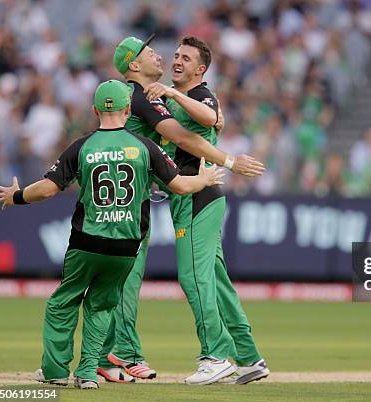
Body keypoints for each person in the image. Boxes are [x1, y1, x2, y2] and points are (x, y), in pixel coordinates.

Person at [0, 80, 224, 389]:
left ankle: (56, 371)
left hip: (87, 241)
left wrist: (17, 196)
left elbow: (47, 189)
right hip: (126, 246)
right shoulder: (145, 146)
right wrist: (205, 177)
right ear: (128, 110)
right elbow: (180, 185)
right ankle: (87, 373)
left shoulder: (83, 146)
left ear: (95, 110)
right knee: (101, 306)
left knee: (63, 303)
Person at [97, 35, 265, 383]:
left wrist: (229, 157)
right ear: (134, 64)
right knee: (216, 282)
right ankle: (248, 357)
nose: (174, 59)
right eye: (173, 55)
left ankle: (215, 356)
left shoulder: (189, 95)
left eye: (185, 58)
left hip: (195, 195)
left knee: (193, 278)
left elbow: (202, 121)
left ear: (200, 70)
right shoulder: (157, 98)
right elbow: (204, 121)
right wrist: (208, 116)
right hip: (189, 194)